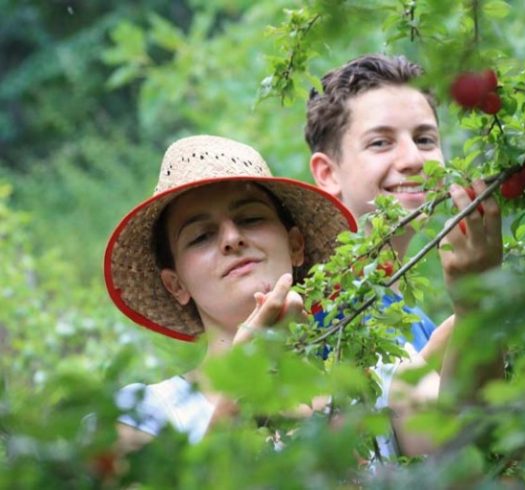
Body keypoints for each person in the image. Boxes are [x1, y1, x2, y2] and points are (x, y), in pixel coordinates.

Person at [305, 54, 504, 457]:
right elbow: (459, 440)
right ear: (328, 174)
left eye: (426, 139)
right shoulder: (316, 314)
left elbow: (486, 460)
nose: (413, 159)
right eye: (381, 142)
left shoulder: (422, 328)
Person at [104, 135, 357, 452]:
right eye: (201, 237)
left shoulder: (372, 384)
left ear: (296, 245)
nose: (232, 238)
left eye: (251, 218)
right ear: (176, 285)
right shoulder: (142, 416)